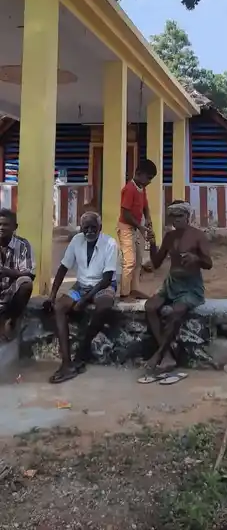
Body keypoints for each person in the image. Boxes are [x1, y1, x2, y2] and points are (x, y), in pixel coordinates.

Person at [45, 211, 119, 384]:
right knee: (59, 307)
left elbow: (107, 278)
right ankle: (66, 363)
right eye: (86, 227)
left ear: (100, 228)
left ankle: (83, 349)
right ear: (81, 228)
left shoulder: (110, 243)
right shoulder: (76, 240)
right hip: (81, 285)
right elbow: (63, 268)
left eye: (94, 227)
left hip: (102, 285)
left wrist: (84, 300)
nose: (90, 231)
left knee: (104, 306)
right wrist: (52, 296)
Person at [145, 200, 213, 371]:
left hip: (190, 286)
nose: (177, 220)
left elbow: (208, 263)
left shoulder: (198, 236)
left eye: (180, 216)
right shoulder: (169, 237)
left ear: (187, 217)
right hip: (171, 284)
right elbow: (157, 262)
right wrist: (152, 244)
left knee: (177, 311)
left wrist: (196, 259)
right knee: (150, 306)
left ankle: (159, 354)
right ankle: (167, 355)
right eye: (173, 217)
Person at [118, 159, 157, 300]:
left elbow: (145, 205)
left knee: (139, 260)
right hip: (126, 228)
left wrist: (148, 219)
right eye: (149, 178)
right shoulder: (129, 189)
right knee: (129, 261)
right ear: (139, 173)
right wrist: (141, 226)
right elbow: (125, 214)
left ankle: (134, 289)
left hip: (135, 227)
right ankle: (124, 293)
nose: (149, 181)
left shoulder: (141, 187)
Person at [0, 209, 35, 342]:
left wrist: (8, 272)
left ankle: (11, 319)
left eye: (5, 224)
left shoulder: (23, 245)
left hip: (11, 290)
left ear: (15, 227)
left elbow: (29, 273)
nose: (1, 228)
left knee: (26, 283)